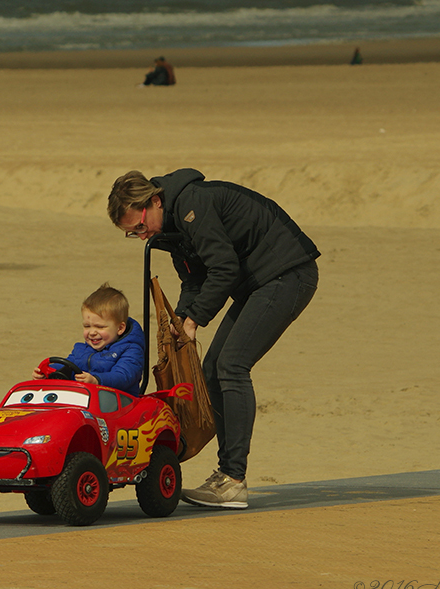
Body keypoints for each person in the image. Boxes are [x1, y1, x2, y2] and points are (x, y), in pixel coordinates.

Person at [108, 169, 320, 508]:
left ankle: (233, 479)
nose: (142, 235)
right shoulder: (171, 227)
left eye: (140, 226)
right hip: (257, 282)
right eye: (132, 234)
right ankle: (225, 476)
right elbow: (194, 281)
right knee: (210, 370)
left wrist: (194, 322)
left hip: (288, 272)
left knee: (232, 365)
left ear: (155, 201)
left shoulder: (194, 204)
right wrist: (176, 323)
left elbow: (224, 268)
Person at [32, 283, 144, 397]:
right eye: (87, 326)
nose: (92, 332)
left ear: (120, 328)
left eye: (100, 327)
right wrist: (47, 372)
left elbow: (123, 376)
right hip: (86, 399)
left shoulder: (130, 349)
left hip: (118, 402)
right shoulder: (81, 350)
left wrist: (97, 380)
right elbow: (67, 367)